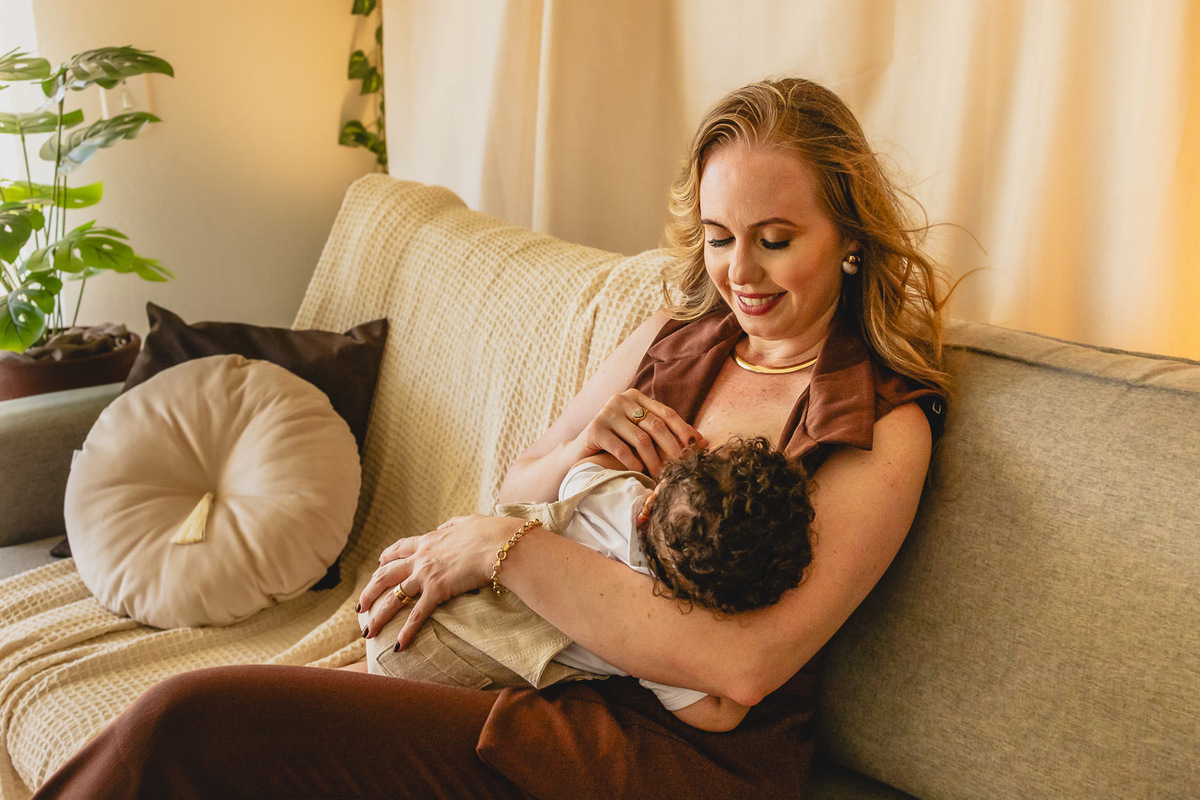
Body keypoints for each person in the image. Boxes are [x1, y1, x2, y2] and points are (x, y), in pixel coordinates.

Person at [33, 77, 950, 799]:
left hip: (650, 753)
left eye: (776, 239)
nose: (738, 272)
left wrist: (503, 547)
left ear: (850, 237)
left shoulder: (876, 423)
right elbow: (524, 478)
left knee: (191, 722)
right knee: (197, 735)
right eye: (718, 237)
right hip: (518, 673)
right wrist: (582, 439)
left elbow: (740, 664)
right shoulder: (676, 337)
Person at [357, 437, 816, 733]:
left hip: (408, 594)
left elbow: (579, 469)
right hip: (434, 664)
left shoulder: (607, 493)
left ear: (651, 501)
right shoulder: (655, 638)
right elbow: (718, 714)